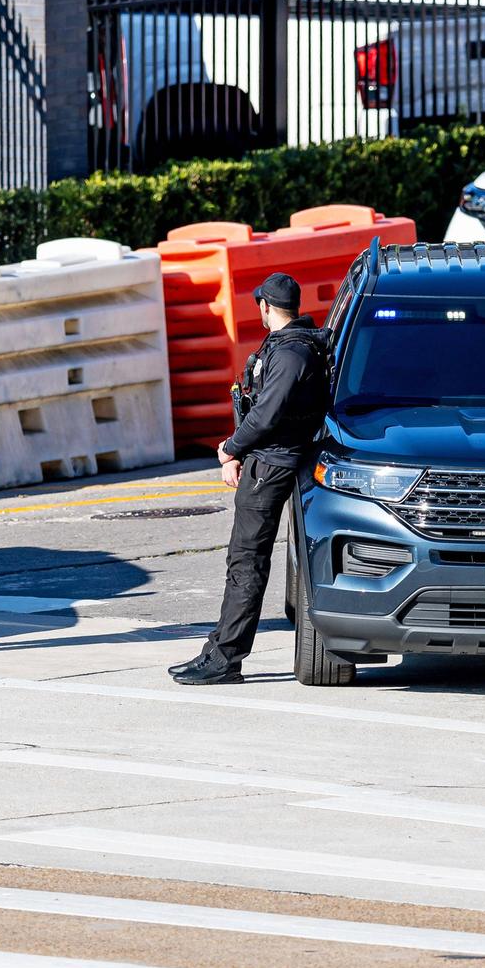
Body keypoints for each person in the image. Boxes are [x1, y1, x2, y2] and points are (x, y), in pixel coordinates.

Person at [170, 272, 331, 686]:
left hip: (271, 463)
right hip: (270, 457)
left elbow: (266, 414)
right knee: (243, 561)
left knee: (246, 561)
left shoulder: (292, 353)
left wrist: (231, 447)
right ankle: (219, 648)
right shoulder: (294, 346)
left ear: (265, 307)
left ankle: (225, 659)